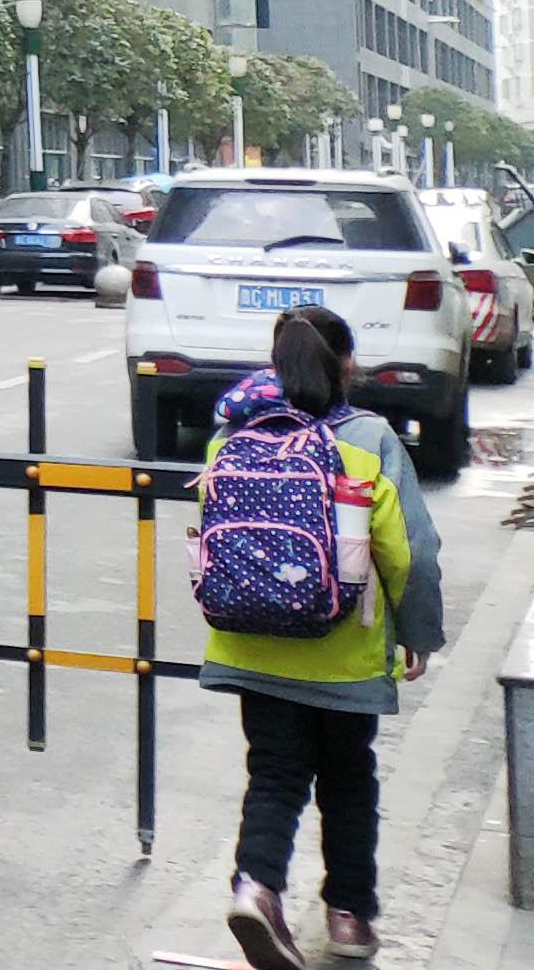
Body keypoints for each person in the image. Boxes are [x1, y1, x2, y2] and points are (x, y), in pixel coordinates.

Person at [207, 305, 444, 969]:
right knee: (348, 780)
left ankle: (256, 888)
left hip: (254, 644)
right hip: (345, 652)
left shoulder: (232, 433)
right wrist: (418, 630)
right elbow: (411, 551)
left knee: (273, 773)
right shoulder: (369, 438)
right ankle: (348, 916)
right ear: (347, 364)